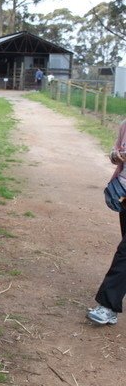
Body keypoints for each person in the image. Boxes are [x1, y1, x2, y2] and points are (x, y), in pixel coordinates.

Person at [87, 120, 126, 325]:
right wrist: (115, 155)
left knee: (125, 253)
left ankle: (108, 305)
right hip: (123, 194)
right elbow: (116, 152)